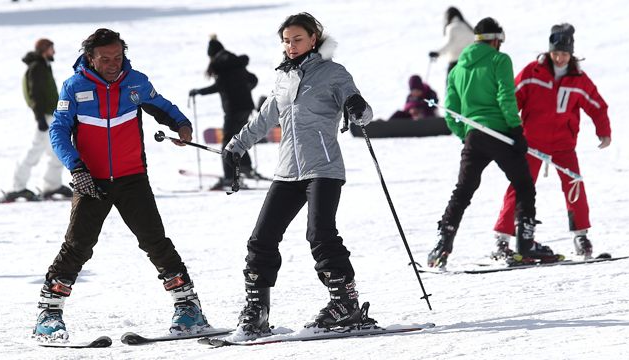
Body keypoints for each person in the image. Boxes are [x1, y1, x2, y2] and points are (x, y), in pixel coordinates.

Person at [32, 28, 212, 341]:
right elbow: (58, 132)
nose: (113, 63)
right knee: (77, 247)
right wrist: (77, 168)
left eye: (118, 57)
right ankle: (49, 315)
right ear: (91, 58)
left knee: (156, 241)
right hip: (91, 181)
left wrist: (181, 124)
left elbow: (163, 106)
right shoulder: (74, 87)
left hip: (132, 178)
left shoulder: (135, 81)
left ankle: (188, 308)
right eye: (105, 59)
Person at [222, 12, 374, 337]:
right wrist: (236, 147)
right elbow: (263, 120)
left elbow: (357, 104)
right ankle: (257, 312)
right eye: (287, 41)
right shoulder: (282, 78)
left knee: (320, 235)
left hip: (323, 168)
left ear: (313, 39)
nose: (291, 46)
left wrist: (358, 108)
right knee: (261, 240)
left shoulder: (333, 73)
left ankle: (345, 305)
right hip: (287, 170)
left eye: (298, 39)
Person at [427, 17, 557, 268]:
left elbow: (452, 111)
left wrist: (464, 134)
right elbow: (505, 96)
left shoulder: (457, 69)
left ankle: (443, 243)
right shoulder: (500, 60)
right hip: (500, 132)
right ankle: (526, 244)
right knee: (523, 184)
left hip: (474, 136)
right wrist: (516, 130)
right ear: (496, 40)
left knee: (463, 191)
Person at [491, 23, 611, 260]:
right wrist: (506, 127)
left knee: (574, 184)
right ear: (549, 51)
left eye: (564, 54)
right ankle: (502, 239)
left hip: (563, 145)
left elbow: (597, 105)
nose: (559, 58)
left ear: (571, 54)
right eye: (556, 53)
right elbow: (510, 100)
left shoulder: (578, 79)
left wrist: (603, 130)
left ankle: (580, 235)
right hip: (532, 144)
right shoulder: (532, 73)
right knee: (519, 187)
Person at [1, 38, 72, 202]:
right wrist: (40, 117)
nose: (53, 52)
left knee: (56, 151)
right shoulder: (37, 68)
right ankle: (17, 187)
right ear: (44, 50)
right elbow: (35, 95)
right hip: (45, 117)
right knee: (34, 152)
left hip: (50, 115)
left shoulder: (43, 65)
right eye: (51, 49)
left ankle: (51, 185)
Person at [189, 35, 262, 190]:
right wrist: (244, 90)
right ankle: (246, 168)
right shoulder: (235, 62)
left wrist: (198, 92)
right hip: (246, 106)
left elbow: (218, 86)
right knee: (237, 139)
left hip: (233, 109)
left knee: (227, 144)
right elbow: (253, 79)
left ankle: (230, 177)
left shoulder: (221, 65)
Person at [429, 7, 474, 78]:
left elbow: (449, 45)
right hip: (470, 64)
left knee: (452, 88)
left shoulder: (451, 28)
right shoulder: (468, 28)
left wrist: (437, 53)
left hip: (455, 65)